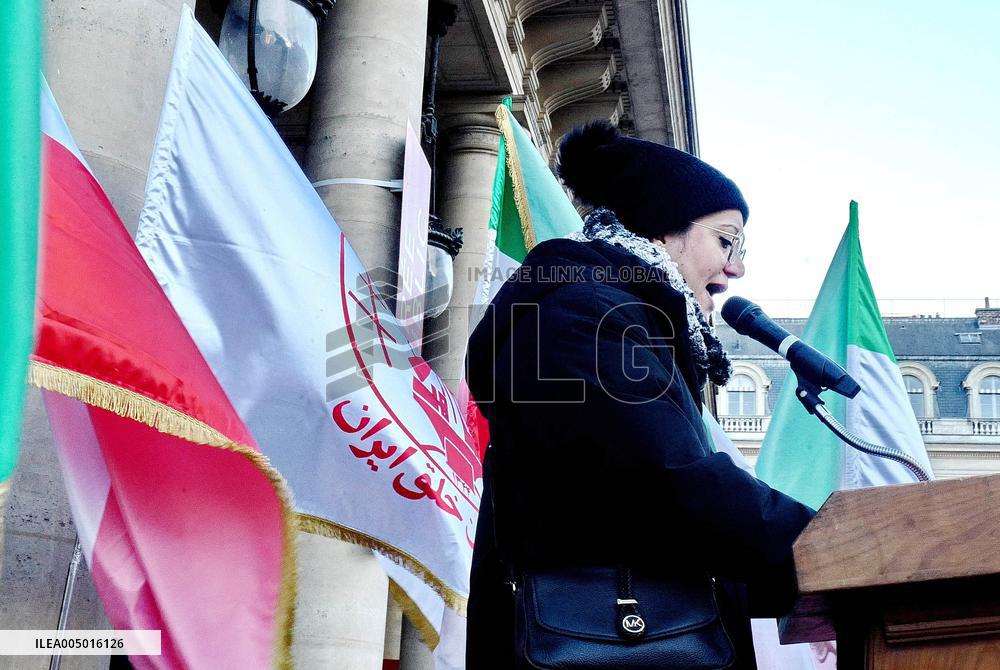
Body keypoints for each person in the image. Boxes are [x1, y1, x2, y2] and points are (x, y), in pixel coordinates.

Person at [465, 121, 816, 669]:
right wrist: (836, 543)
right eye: (726, 240)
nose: (737, 267)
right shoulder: (585, 316)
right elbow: (669, 482)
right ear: (659, 232)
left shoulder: (610, 316)